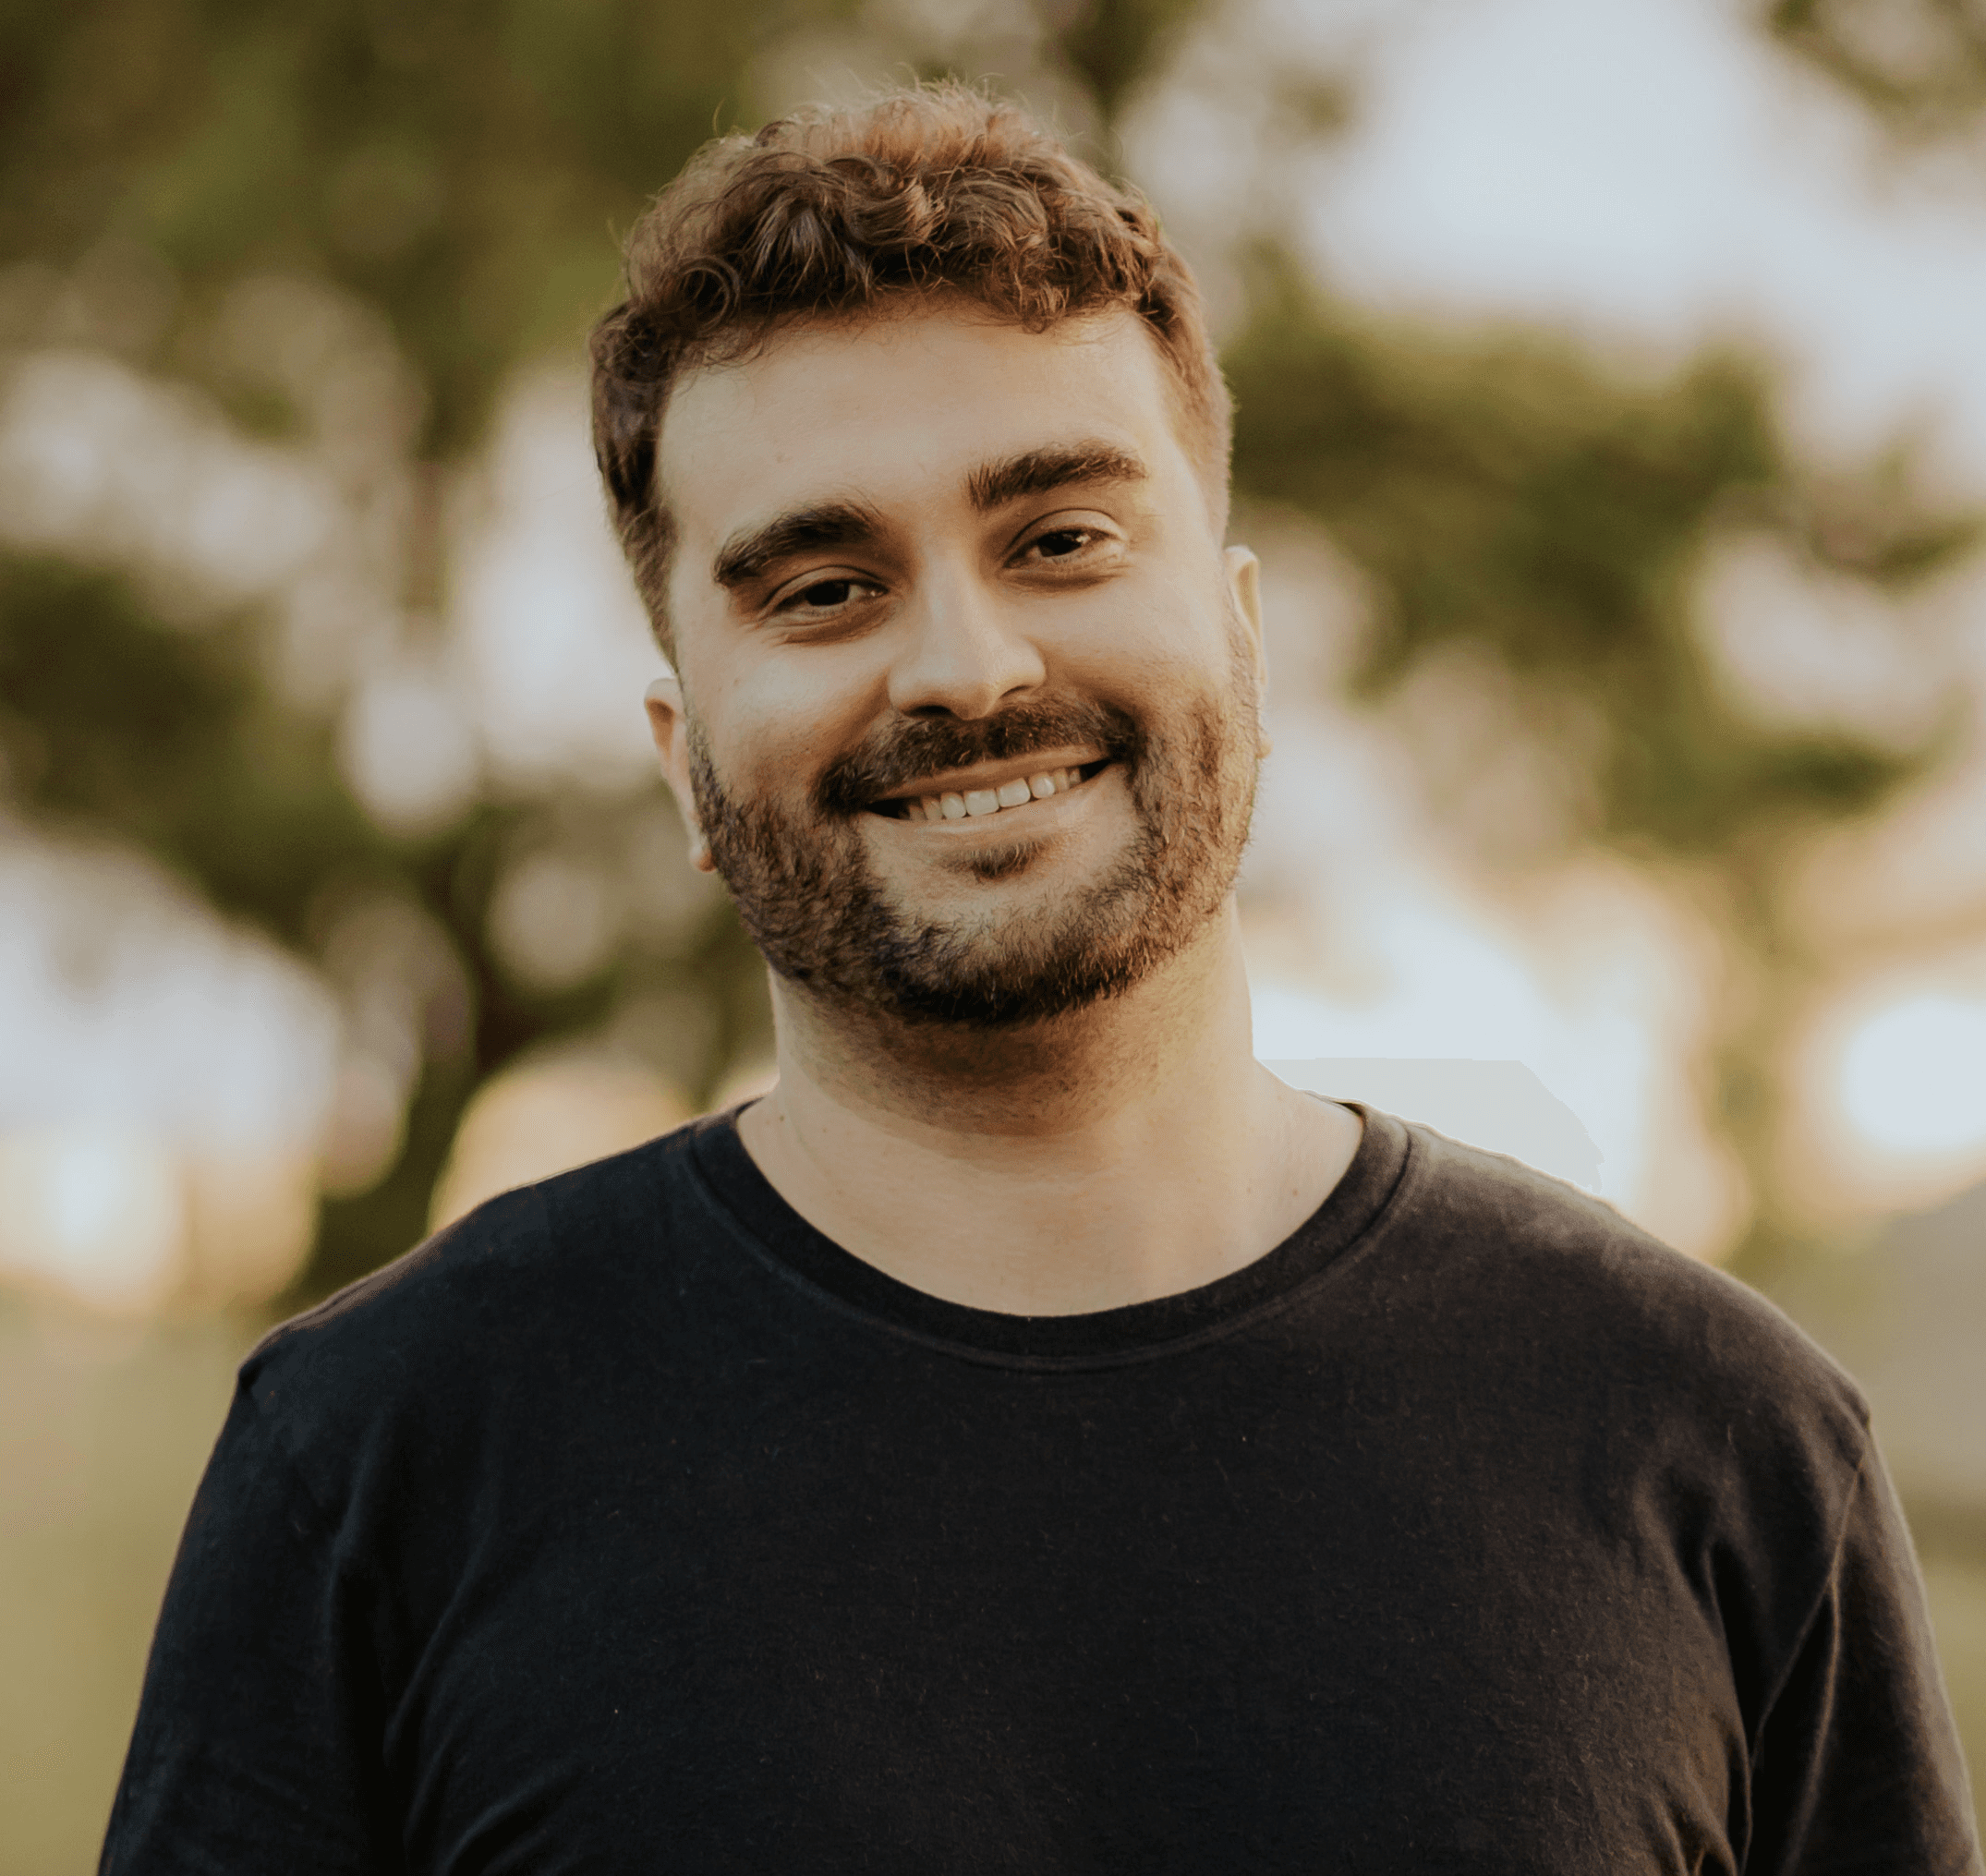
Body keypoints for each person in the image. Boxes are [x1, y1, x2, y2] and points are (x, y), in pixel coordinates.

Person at [103, 84, 1979, 1874]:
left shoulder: (1714, 1438)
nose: (964, 666)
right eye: (821, 587)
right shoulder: (379, 1454)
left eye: (1061, 539)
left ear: (1241, 640)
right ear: (683, 760)